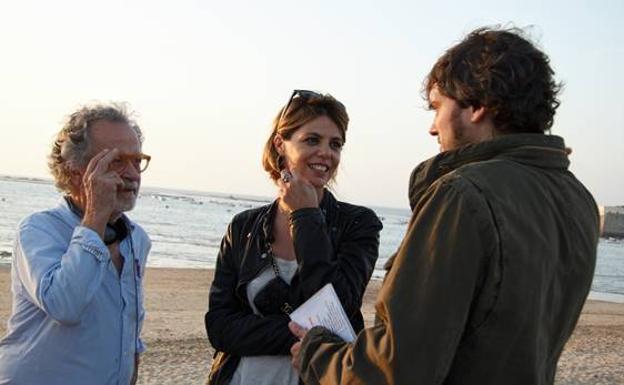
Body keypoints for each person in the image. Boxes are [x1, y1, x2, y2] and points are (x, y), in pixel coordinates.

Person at [289, 27, 600, 385]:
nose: (433, 128)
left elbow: (397, 369)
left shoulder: (464, 194)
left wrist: (317, 352)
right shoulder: (579, 200)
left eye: (438, 107)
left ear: (478, 105)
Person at [204, 90, 383, 385]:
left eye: (335, 144)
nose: (326, 152)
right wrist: (306, 332)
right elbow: (220, 327)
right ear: (280, 145)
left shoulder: (358, 224)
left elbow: (336, 306)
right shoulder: (243, 227)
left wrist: (306, 216)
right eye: (312, 140)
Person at [0, 104, 152, 385]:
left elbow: (129, 331)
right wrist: (95, 216)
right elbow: (64, 305)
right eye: (117, 161)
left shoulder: (136, 238)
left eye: (137, 160)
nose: (132, 174)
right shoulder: (38, 230)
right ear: (75, 173)